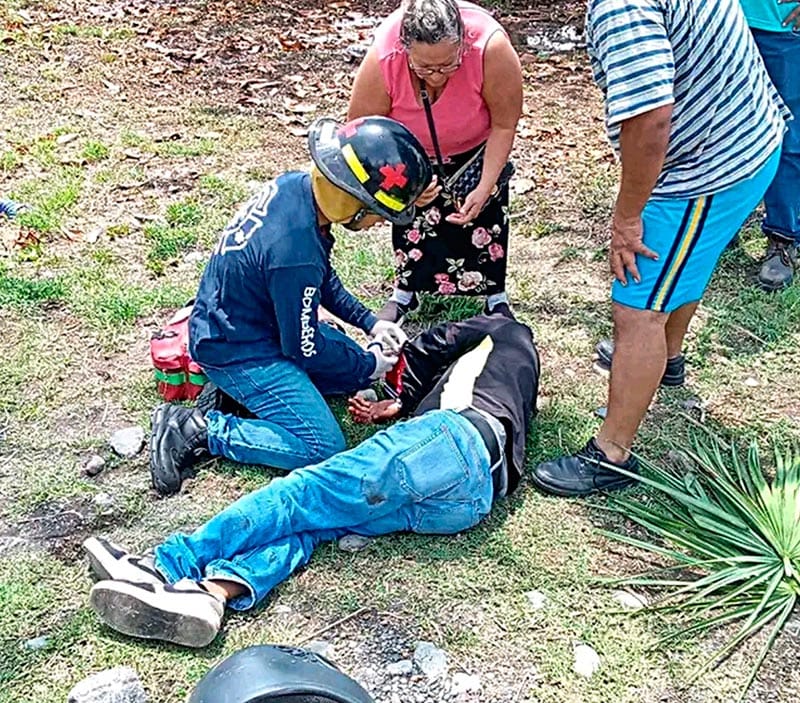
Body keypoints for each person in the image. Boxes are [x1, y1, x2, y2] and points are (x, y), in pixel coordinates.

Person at [83, 312, 540, 648]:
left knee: (303, 494)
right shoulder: (522, 382)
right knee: (317, 525)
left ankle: (165, 566)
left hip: (449, 439)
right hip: (474, 502)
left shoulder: (501, 329)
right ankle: (211, 594)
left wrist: (398, 399)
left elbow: (431, 345)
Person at [532, 0, 790, 497]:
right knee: (683, 264)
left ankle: (612, 455)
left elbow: (650, 119)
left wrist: (628, 216)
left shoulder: (620, 8)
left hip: (709, 167)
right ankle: (667, 360)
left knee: (637, 306)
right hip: (750, 139)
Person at [148, 116, 432, 496]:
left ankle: (246, 399)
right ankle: (196, 428)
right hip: (238, 349)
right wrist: (370, 363)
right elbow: (302, 345)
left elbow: (320, 278)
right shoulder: (294, 253)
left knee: (353, 375)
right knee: (322, 446)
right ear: (353, 201)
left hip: (244, 321)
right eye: (377, 213)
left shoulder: (294, 189)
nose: (378, 222)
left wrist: (369, 323)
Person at [348, 0, 523, 321]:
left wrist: (485, 186)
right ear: (405, 49)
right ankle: (406, 291)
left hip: (475, 152)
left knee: (485, 220)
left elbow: (504, 123)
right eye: (425, 68)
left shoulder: (490, 48)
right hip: (408, 153)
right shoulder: (385, 57)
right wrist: (401, 191)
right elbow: (360, 133)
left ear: (463, 44)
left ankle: (494, 295)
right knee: (413, 225)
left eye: (448, 65)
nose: (438, 77)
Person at [739, 0, 799, 290]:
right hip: (723, 22)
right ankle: (723, 223)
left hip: (784, 27)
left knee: (788, 138)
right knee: (726, 129)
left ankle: (782, 237)